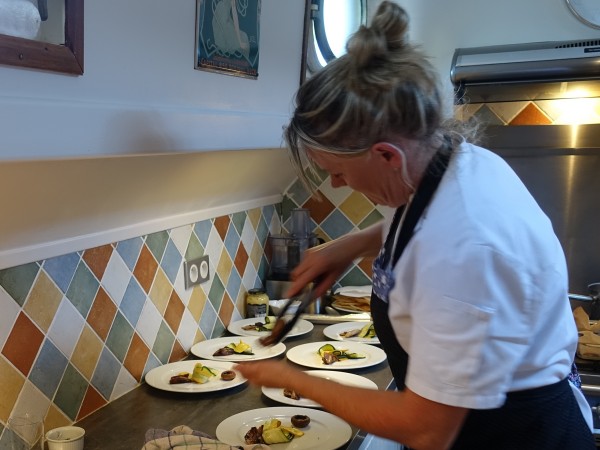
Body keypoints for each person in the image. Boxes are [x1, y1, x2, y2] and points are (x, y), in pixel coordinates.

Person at [236, 2, 595, 449]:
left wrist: (294, 379)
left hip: (514, 437)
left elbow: (426, 429)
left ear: (387, 155)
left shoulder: (463, 248)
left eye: (339, 170)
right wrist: (346, 246)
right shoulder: (452, 163)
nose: (336, 182)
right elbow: (417, 223)